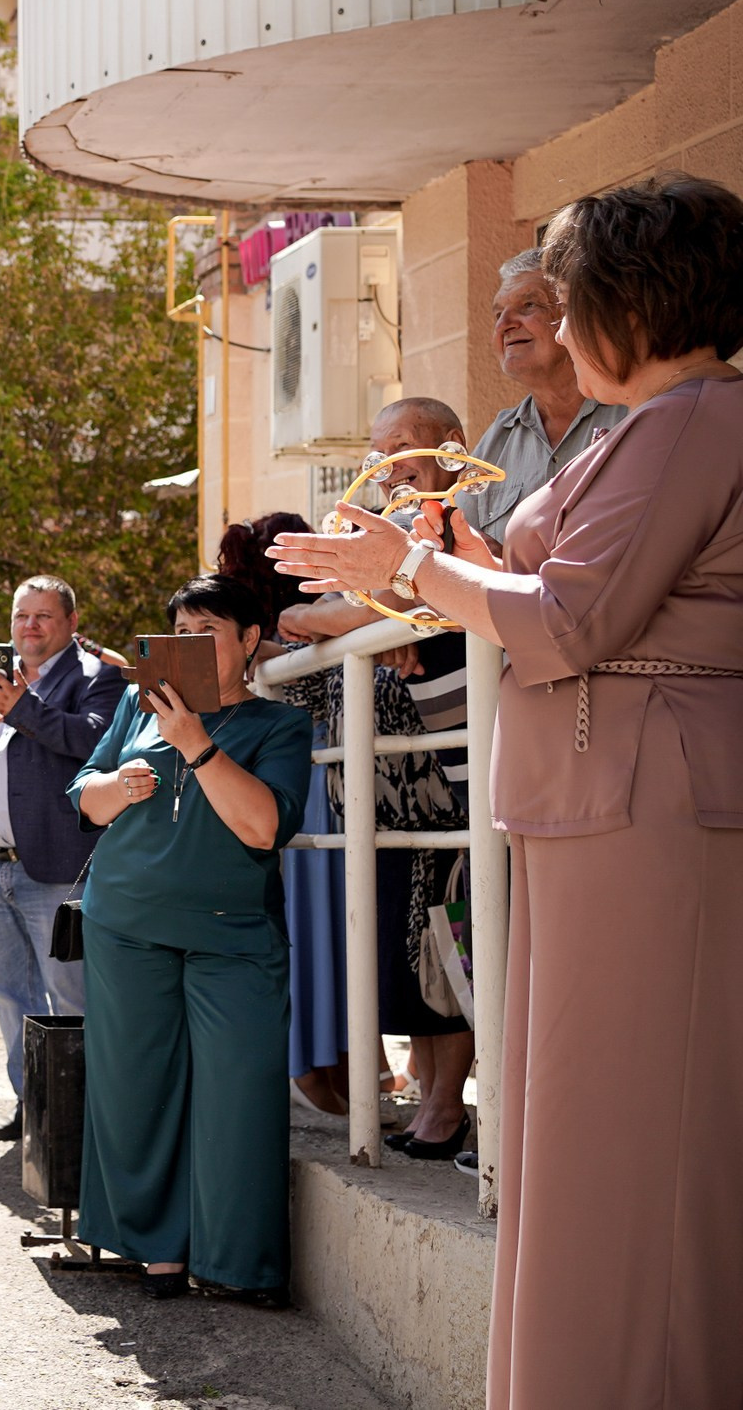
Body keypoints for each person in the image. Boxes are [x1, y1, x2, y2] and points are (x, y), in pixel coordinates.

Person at [271, 173, 743, 1409]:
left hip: (645, 809)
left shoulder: (692, 419)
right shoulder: (646, 425)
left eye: (563, 295)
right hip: (599, 801)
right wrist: (433, 560)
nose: (552, 317)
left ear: (623, 303)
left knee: (624, 1142)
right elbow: (543, 577)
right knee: (572, 1138)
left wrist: (414, 564)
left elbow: (576, 614)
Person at [70, 573, 314, 1303]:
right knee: (135, 1090)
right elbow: (85, 799)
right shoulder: (131, 704)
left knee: (240, 1095)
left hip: (232, 934)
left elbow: (263, 826)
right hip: (125, 923)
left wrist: (197, 745)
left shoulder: (281, 724)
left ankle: (237, 1264)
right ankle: (155, 1248)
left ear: (247, 640)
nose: (194, 646)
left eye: (210, 630)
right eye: (181, 632)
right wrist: (119, 782)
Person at [269, 404, 475, 1149]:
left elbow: (422, 600)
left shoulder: (462, 524)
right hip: (374, 808)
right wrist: (359, 620)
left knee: (442, 961)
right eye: (376, 452)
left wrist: (357, 617)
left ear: (451, 454)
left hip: (441, 800)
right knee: (401, 961)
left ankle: (446, 1107)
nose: (386, 466)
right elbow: (303, 621)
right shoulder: (367, 539)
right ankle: (428, 1097)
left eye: (403, 450)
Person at [0, 576, 126, 1141]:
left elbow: (93, 741)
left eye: (43, 616)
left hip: (55, 865)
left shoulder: (97, 678)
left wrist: (22, 708)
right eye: (22, 616)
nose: (29, 627)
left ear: (69, 622)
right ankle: (33, 1105)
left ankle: (83, 1115)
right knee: (9, 991)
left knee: (70, 993)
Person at [468, 248, 625, 550]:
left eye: (528, 305)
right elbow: (458, 540)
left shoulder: (631, 410)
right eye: (498, 314)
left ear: (574, 317)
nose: (505, 325)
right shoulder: (498, 439)